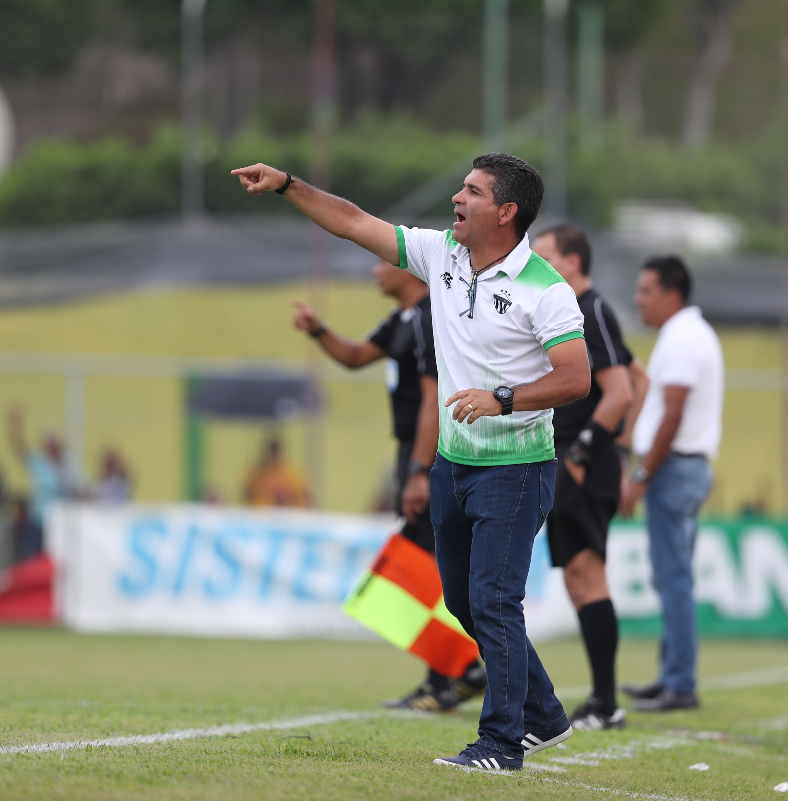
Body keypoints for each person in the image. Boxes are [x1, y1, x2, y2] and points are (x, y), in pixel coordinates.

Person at [232, 152, 590, 771]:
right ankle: (547, 713)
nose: (457, 197)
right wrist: (287, 185)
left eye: (472, 191)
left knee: (495, 601)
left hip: (518, 468)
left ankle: (501, 744)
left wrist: (502, 398)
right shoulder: (439, 255)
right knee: (462, 601)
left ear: (505, 212)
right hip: (453, 465)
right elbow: (351, 221)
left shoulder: (546, 290)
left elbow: (577, 378)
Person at [292, 258, 485, 713]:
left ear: (413, 271)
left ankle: (452, 676)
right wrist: (319, 330)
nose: (375, 270)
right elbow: (356, 357)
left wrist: (420, 472)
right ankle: (455, 672)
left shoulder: (427, 319)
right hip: (411, 453)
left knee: (427, 566)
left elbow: (432, 401)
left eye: (384, 262)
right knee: (422, 566)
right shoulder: (402, 319)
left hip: (430, 455)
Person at [532, 225, 641, 732]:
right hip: (574, 459)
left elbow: (621, 390)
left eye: (546, 256)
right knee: (579, 579)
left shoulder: (590, 307)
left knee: (587, 576)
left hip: (581, 462)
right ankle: (603, 699)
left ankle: (606, 702)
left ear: (572, 262)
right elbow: (640, 375)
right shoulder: (577, 312)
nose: (536, 264)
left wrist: (588, 449)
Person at [618, 256, 723, 713]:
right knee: (672, 578)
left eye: (646, 291)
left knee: (674, 579)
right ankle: (671, 677)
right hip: (686, 468)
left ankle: (680, 683)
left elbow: (674, 412)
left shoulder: (682, 338)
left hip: (672, 470)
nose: (638, 299)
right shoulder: (688, 334)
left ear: (671, 293)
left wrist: (641, 475)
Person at [7, 408, 81, 529]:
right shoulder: (39, 462)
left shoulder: (69, 461)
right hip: (40, 519)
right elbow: (21, 450)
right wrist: (16, 427)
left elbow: (78, 486)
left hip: (63, 521)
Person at [243, 437, 312, 508]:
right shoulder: (258, 473)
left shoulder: (291, 473)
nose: (273, 455)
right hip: (262, 512)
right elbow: (248, 493)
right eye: (271, 452)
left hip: (288, 513)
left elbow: (302, 495)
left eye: (275, 452)